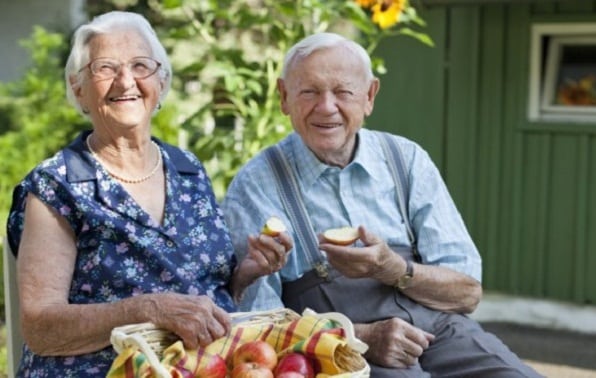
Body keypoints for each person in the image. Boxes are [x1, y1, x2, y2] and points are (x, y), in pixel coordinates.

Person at [221, 32, 543, 377]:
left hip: (440, 332)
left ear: (369, 96)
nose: (326, 107)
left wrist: (393, 268)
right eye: (309, 92)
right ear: (284, 97)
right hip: (343, 350)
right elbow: (258, 322)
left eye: (343, 92)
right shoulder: (258, 184)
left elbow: (466, 294)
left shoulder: (405, 160)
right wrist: (359, 335)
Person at [6, 11, 268, 377]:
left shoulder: (187, 169)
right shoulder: (57, 185)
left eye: (140, 65)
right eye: (105, 68)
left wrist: (244, 274)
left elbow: (203, 289)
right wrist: (148, 309)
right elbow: (41, 329)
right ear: (79, 89)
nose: (125, 80)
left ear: (161, 82)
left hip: (205, 367)